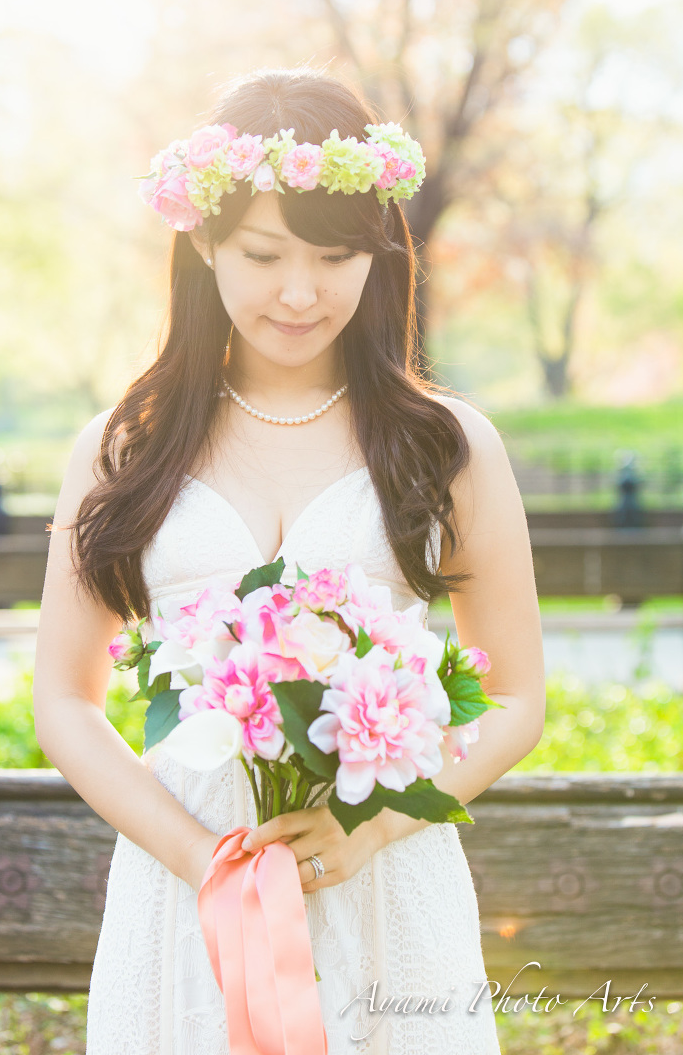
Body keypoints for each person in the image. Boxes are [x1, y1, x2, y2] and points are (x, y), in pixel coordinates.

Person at [33, 66, 545, 1055]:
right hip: (184, 896)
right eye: (263, 255)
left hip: (389, 888)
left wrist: (371, 831)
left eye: (333, 256)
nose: (300, 292)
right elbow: (66, 697)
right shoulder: (123, 446)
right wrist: (205, 859)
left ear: (378, 255)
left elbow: (515, 694)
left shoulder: (447, 445)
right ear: (203, 242)